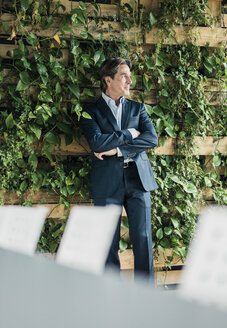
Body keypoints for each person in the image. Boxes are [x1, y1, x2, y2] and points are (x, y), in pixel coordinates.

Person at [80, 57, 158, 281]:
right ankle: (110, 296)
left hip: (138, 180)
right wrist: (130, 134)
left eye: (130, 76)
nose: (129, 80)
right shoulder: (89, 111)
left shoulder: (138, 108)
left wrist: (118, 150)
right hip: (107, 183)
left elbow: (151, 139)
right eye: (124, 75)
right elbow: (96, 142)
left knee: (143, 239)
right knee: (107, 242)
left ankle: (146, 296)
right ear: (108, 79)